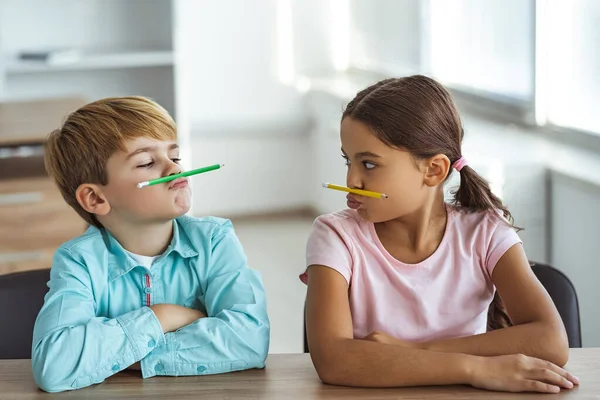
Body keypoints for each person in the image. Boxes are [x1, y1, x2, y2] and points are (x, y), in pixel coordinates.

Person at [302, 76, 577, 394]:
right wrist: (475, 367)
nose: (351, 179)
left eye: (369, 164)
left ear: (433, 170)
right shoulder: (335, 235)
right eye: (348, 160)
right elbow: (334, 360)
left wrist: (413, 351)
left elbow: (551, 341)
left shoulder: (485, 231)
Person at [33, 96, 269, 392]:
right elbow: (55, 366)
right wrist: (163, 316)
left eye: (176, 157)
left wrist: (122, 356)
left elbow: (249, 340)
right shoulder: (78, 260)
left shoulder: (214, 239)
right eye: (147, 162)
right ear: (95, 198)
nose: (174, 169)